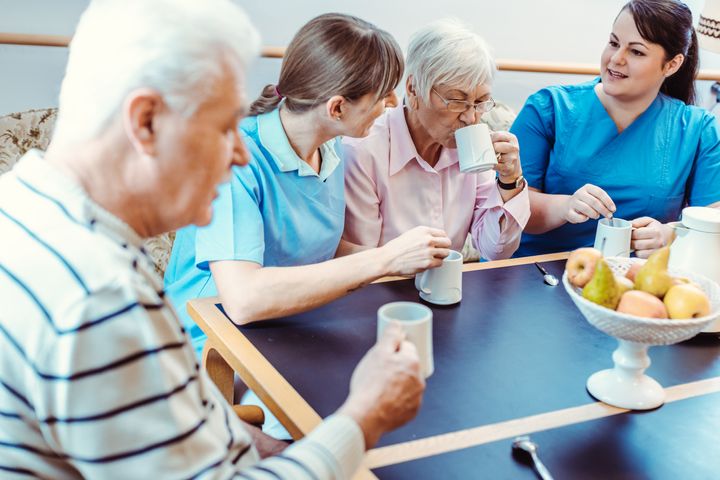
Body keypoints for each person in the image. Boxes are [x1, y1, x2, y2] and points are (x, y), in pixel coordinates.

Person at [0, 1, 425, 478]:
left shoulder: (30, 211)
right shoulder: (99, 298)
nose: (241, 152)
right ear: (145, 122)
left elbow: (174, 425)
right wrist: (363, 418)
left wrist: (270, 447)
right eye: (224, 127)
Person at [164, 13, 452, 357]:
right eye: (382, 94)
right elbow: (243, 300)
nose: (392, 102)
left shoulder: (331, 147)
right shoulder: (237, 160)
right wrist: (383, 261)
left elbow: (312, 246)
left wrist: (403, 258)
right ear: (337, 108)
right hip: (214, 340)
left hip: (293, 322)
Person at [511, 0, 720, 258]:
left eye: (637, 52)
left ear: (672, 65)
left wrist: (670, 234)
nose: (616, 59)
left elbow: (712, 219)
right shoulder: (548, 108)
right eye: (613, 43)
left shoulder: (697, 130)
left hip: (632, 279)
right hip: (534, 271)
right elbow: (510, 208)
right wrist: (564, 206)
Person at [342, 19, 530, 259]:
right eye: (456, 100)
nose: (471, 117)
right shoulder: (363, 151)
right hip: (385, 291)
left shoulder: (472, 146)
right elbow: (361, 263)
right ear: (413, 89)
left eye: (480, 102)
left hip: (448, 289)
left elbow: (496, 250)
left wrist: (509, 181)